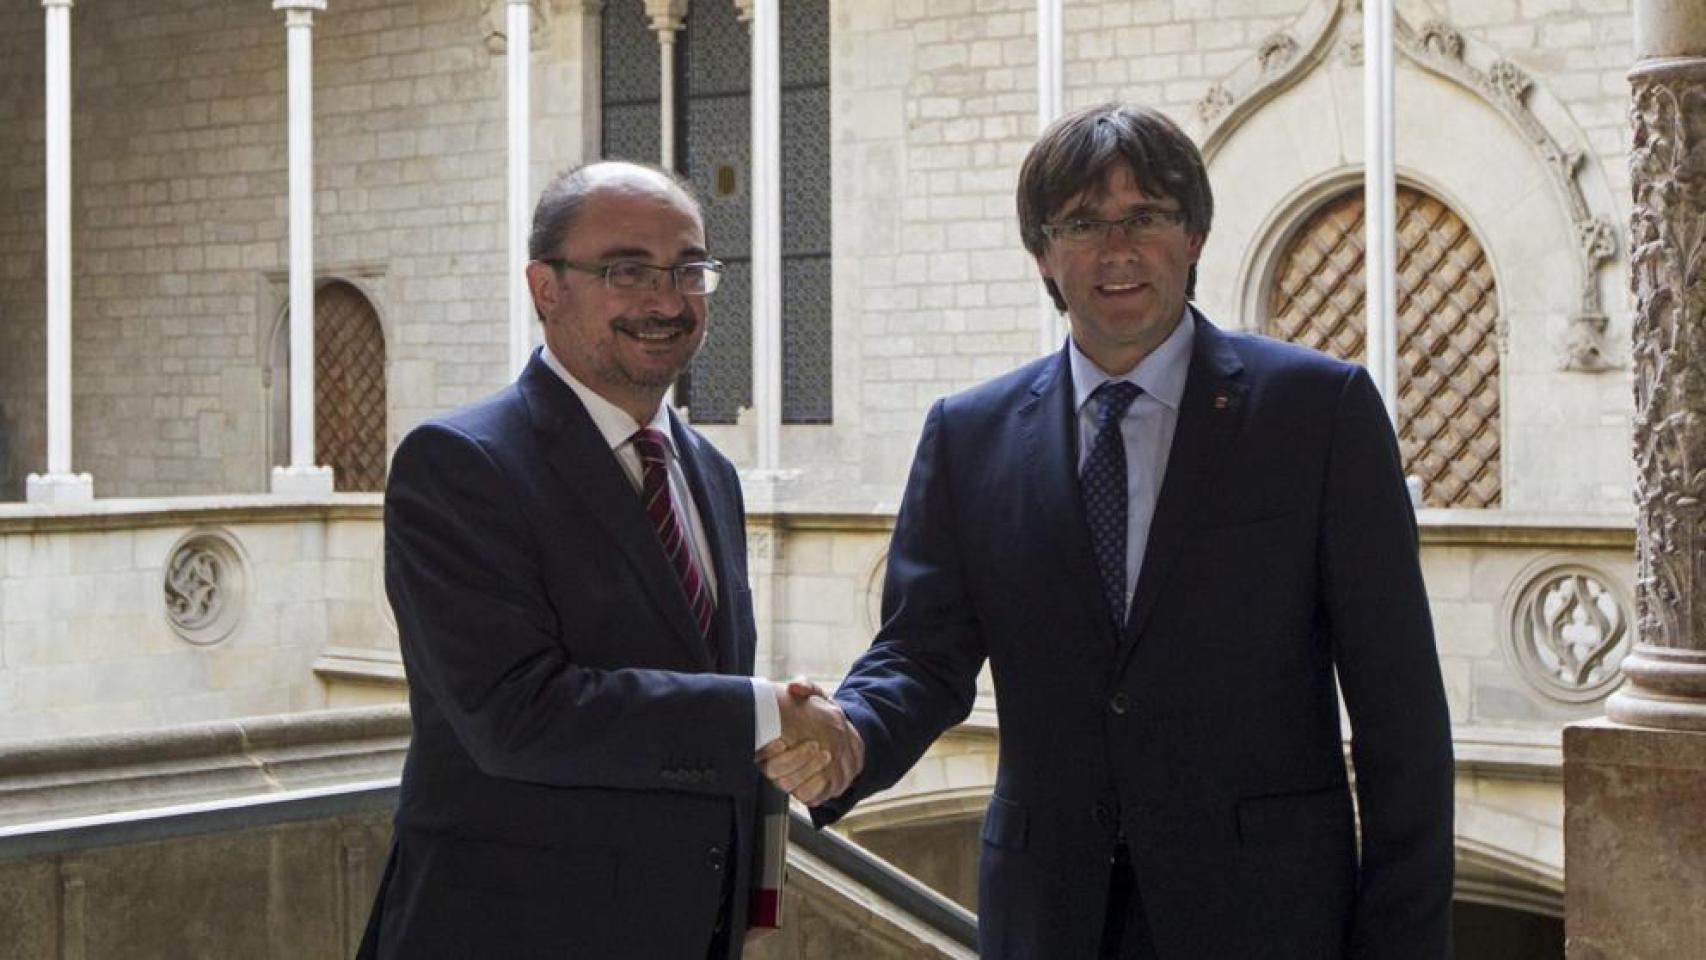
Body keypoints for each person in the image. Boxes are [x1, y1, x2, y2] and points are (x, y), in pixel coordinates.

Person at [769, 103, 1455, 958]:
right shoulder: (968, 434)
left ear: (1194, 236)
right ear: (1043, 254)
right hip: (1051, 915)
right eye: (1083, 223)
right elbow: (921, 654)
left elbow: (1401, 715)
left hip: (1266, 917)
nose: (1117, 249)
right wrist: (852, 733)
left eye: (1146, 217)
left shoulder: (1319, 412)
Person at [358, 161, 859, 959]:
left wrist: (749, 883)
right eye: (627, 271)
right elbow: (517, 715)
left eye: (688, 270)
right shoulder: (459, 464)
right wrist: (768, 712)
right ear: (545, 289)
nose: (667, 301)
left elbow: (696, 694)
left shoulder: (711, 474)